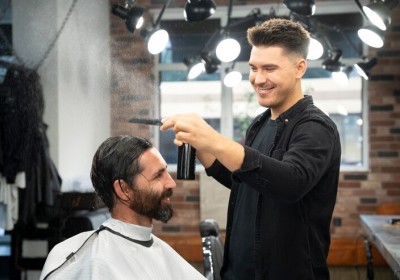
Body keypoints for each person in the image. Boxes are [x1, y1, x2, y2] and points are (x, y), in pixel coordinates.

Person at [160, 18, 341, 279]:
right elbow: (246, 181)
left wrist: (214, 139)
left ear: (299, 67)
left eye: (269, 68)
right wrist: (201, 146)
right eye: (253, 68)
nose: (258, 79)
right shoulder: (260, 124)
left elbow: (291, 182)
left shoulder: (315, 127)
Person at [40, 136, 206, 280]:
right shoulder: (88, 259)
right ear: (124, 189)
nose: (171, 183)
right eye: (158, 176)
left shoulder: (158, 248)